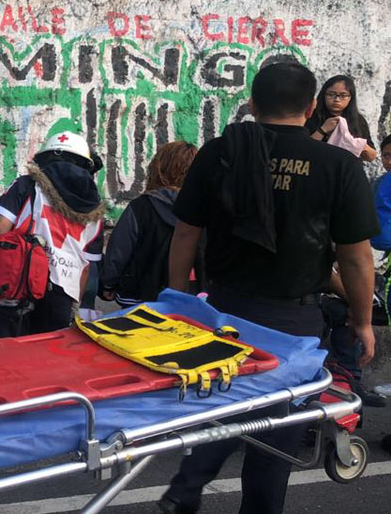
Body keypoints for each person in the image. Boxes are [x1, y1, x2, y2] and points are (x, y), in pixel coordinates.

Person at [159, 62, 378, 514]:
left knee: (220, 410)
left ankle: (186, 487)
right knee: (276, 433)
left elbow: (185, 234)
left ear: (253, 105)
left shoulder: (219, 153)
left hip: (222, 311)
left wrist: (178, 300)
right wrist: (362, 321)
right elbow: (355, 256)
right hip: (293, 319)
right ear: (312, 107)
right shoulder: (338, 165)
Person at [0, 130, 106, 338]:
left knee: (5, 351)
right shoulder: (96, 210)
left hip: (16, 280)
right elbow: (86, 267)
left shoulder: (26, 185)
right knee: (47, 354)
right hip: (63, 290)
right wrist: (74, 305)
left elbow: (2, 228)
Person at [101, 141, 200, 306]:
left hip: (138, 296)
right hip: (190, 297)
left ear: (159, 168)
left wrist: (107, 285)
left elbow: (119, 251)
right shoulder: (204, 209)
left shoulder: (140, 207)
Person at [305, 74, 377, 162]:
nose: (337, 99)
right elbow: (302, 149)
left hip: (347, 170)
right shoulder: (311, 115)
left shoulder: (358, 120)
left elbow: (371, 157)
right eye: (331, 94)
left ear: (350, 98)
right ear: (323, 95)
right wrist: (323, 130)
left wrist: (356, 144)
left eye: (343, 95)